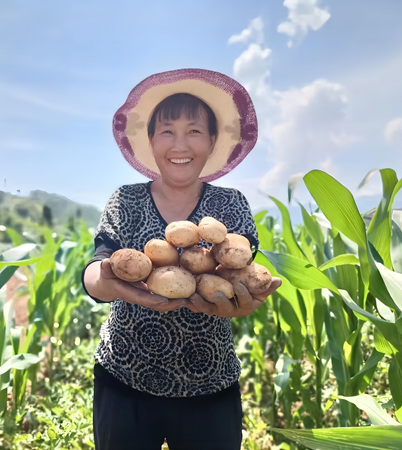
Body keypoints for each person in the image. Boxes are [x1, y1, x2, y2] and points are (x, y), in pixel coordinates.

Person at [81, 68, 282, 450]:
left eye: (194, 131)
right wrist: (104, 280)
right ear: (152, 141)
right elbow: (99, 265)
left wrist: (239, 305)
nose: (180, 144)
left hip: (210, 382)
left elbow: (239, 275)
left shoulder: (231, 204)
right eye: (167, 131)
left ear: (211, 142)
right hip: (125, 377)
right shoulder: (125, 199)